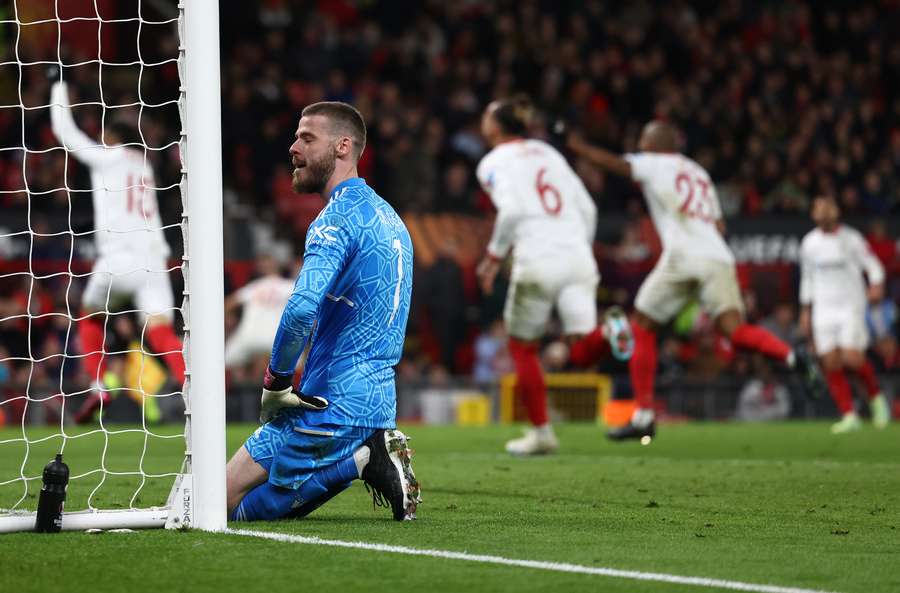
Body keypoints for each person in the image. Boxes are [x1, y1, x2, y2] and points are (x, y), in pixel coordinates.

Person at [567, 121, 825, 441]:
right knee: (735, 330)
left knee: (642, 326)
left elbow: (617, 165)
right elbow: (718, 225)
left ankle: (644, 416)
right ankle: (791, 356)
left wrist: (578, 146)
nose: (640, 146)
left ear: (654, 143)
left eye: (643, 139)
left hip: (683, 254)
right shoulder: (699, 173)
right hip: (718, 256)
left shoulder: (654, 163)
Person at [225, 101, 420, 522]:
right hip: (372, 397)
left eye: (307, 138)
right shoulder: (391, 219)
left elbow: (300, 311)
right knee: (215, 493)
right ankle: (366, 455)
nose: (294, 147)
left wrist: (276, 380)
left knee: (230, 512)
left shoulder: (336, 220)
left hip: (331, 404)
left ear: (343, 146)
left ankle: (362, 460)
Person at [475, 96, 632, 455]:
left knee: (522, 346)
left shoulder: (492, 161)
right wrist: (577, 245)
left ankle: (542, 432)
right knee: (582, 347)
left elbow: (512, 211)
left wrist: (493, 258)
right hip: (577, 256)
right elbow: (588, 208)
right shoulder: (549, 153)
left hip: (538, 258)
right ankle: (610, 332)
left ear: (496, 127)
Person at [49, 81, 185, 424]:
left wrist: (59, 86)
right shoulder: (145, 166)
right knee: (159, 330)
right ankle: (191, 387)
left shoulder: (108, 157)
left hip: (119, 257)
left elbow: (65, 131)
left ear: (111, 139)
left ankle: (99, 385)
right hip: (154, 259)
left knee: (89, 315)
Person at [799, 196, 890, 433]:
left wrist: (876, 284)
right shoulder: (809, 243)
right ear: (813, 214)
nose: (823, 212)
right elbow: (807, 279)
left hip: (851, 305)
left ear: (836, 211)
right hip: (823, 309)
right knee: (830, 361)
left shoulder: (852, 239)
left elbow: (874, 266)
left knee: (851, 358)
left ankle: (877, 399)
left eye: (827, 207)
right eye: (818, 208)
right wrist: (806, 311)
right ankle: (850, 415)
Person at [224, 255, 294, 372]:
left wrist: (229, 319)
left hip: (249, 336)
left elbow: (229, 304)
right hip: (278, 338)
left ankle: (241, 387)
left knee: (227, 363)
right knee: (296, 366)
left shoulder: (254, 287)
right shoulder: (291, 286)